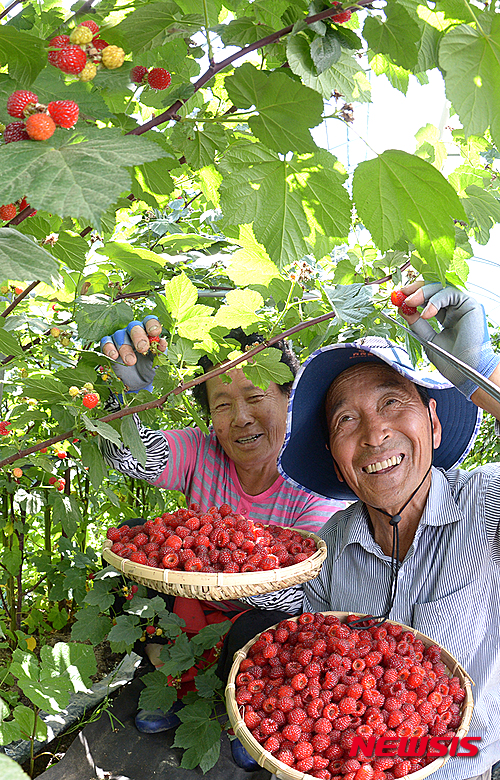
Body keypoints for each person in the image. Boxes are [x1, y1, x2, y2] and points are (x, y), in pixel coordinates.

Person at [219, 283, 500, 779]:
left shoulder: (487, 504)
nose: (374, 434)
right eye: (346, 419)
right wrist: (118, 414)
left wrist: (483, 372)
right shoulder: (330, 544)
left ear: (433, 424)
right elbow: (286, 615)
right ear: (334, 454)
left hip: (468, 762)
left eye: (392, 402)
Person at [98, 318, 347, 762]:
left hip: (260, 613)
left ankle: (250, 709)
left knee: (266, 628)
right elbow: (128, 459)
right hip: (191, 602)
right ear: (209, 415)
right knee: (132, 545)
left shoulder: (314, 483)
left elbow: (293, 590)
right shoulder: (201, 450)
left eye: (255, 397)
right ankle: (170, 675)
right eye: (222, 404)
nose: (241, 418)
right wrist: (125, 400)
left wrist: (220, 566)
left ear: (288, 399)